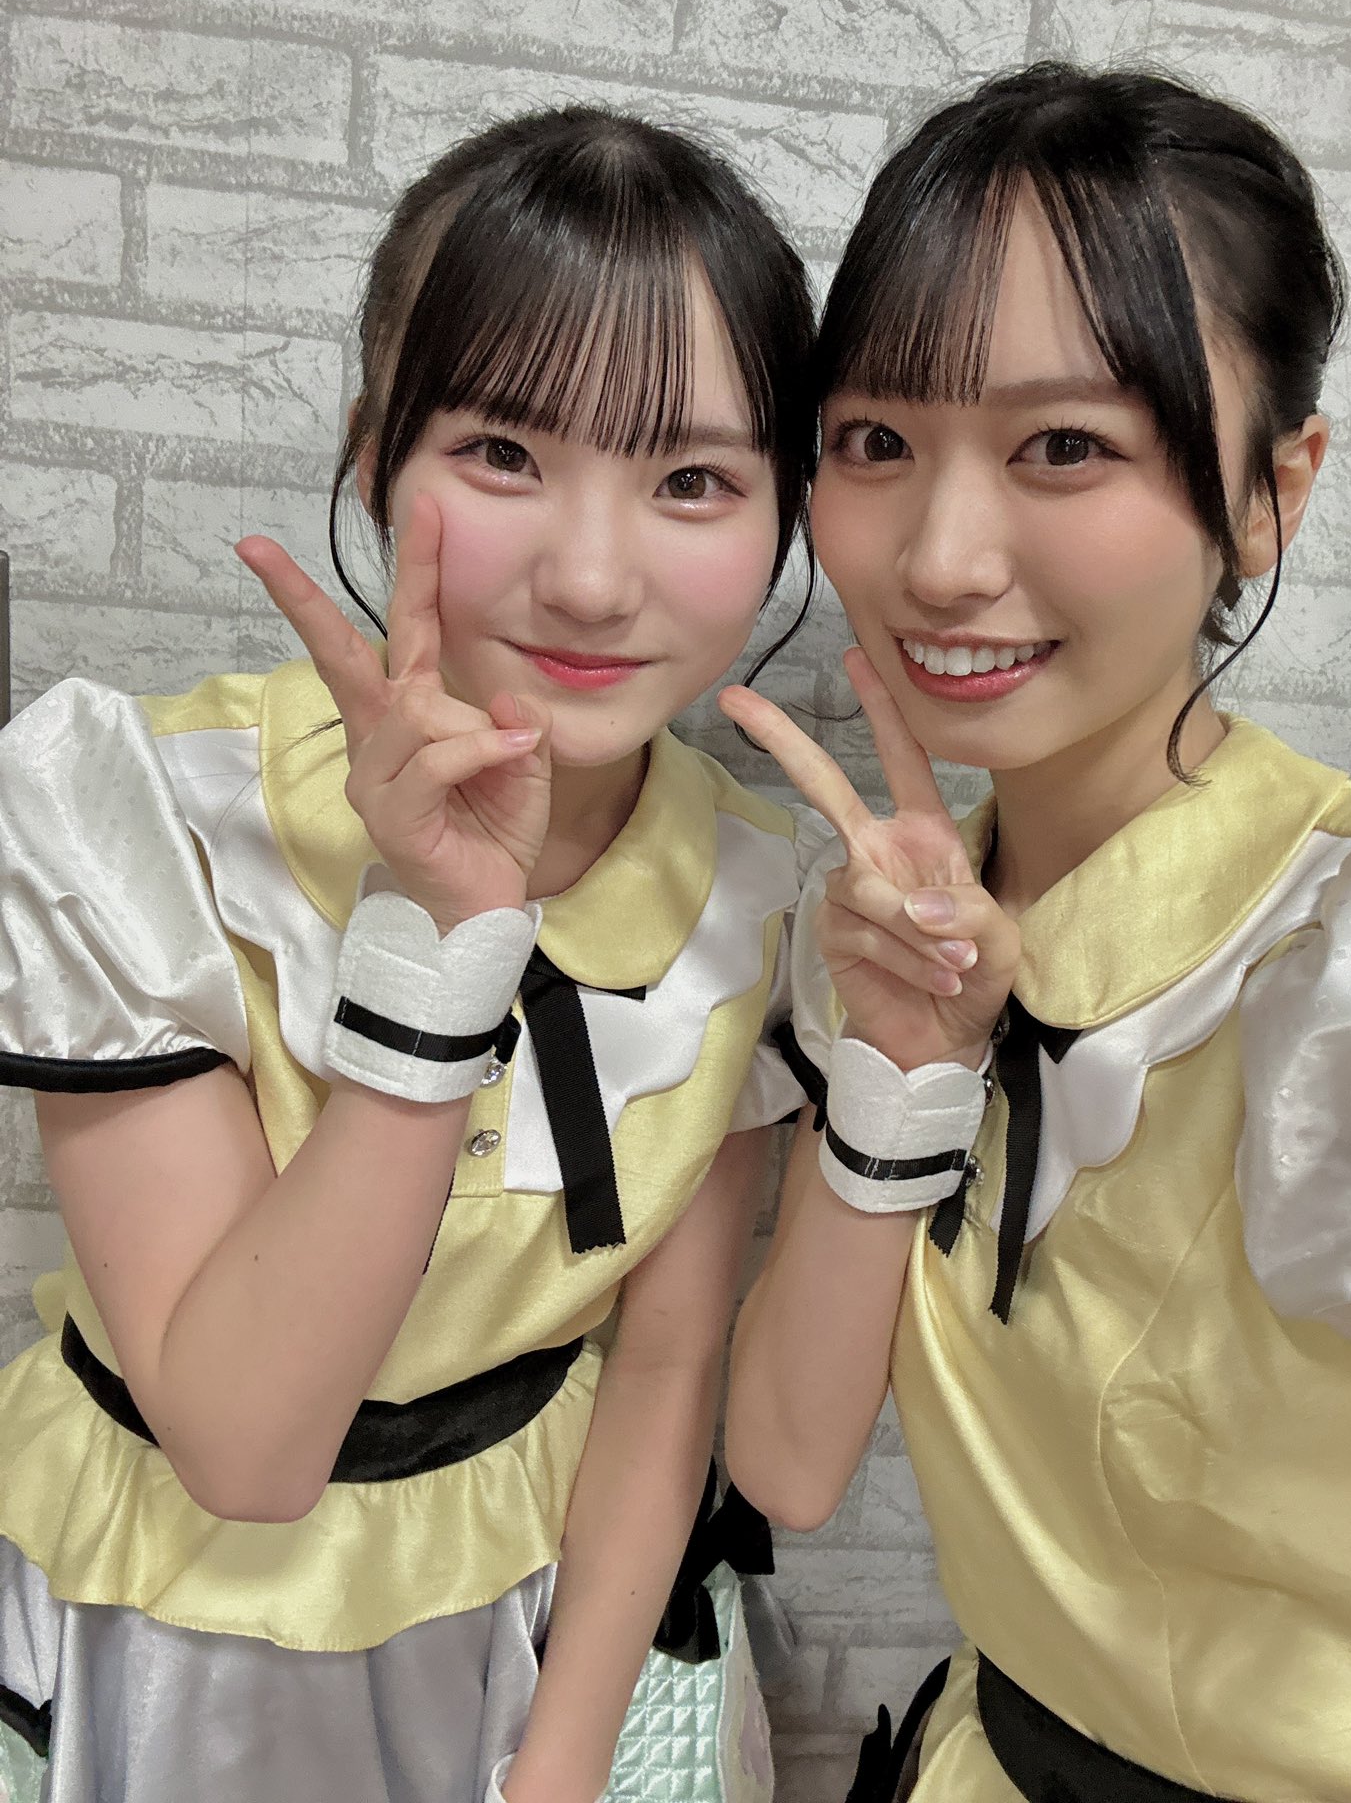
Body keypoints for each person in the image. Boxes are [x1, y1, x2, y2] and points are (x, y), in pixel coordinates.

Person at [722, 62, 1351, 1801]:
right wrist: (898, 1068)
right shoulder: (887, 923)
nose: (941, 558)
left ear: (1273, 491)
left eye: (1066, 446)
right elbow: (787, 1467)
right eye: (875, 442)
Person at [0, 105, 820, 1803]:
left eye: (692, 480)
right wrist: (442, 946)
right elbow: (243, 1446)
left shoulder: (758, 889)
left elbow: (665, 1364)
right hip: (151, 1626)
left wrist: (562, 1762)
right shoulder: (139, 811)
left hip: (517, 1613)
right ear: (378, 453)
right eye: (505, 451)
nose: (591, 578)